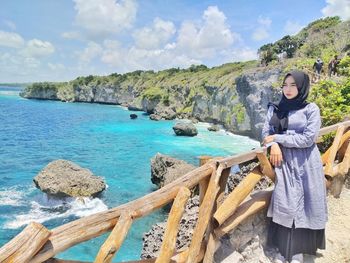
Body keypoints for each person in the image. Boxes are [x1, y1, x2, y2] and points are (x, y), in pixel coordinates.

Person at [262, 70, 327, 263]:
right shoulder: (275, 108)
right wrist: (273, 145)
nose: (288, 89)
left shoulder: (310, 109)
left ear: (302, 87)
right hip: (285, 163)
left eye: (294, 85)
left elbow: (308, 139)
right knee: (287, 203)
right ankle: (286, 250)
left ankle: (301, 251)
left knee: (308, 203)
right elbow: (266, 132)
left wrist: (278, 138)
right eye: (285, 85)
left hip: (307, 162)